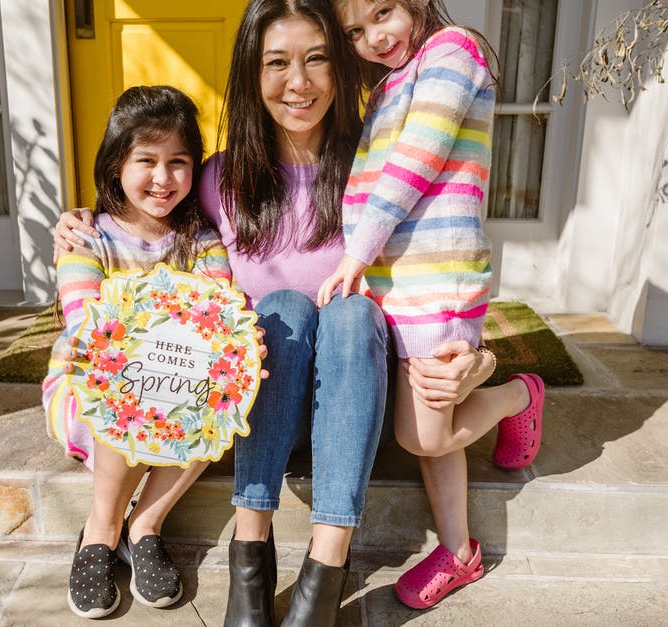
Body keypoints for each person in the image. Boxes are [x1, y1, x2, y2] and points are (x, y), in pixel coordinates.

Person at [54, 1, 494, 624]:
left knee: (349, 312)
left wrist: (479, 357)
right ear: (250, 76)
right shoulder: (217, 181)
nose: (299, 82)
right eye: (277, 63)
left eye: (317, 59)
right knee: (283, 308)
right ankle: (250, 552)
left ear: (342, 66)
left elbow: (442, 263)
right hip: (267, 405)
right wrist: (78, 224)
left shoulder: (378, 166)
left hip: (355, 396)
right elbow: (143, 228)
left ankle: (325, 569)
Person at [317, 0, 546, 610]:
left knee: (423, 435)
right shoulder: (390, 82)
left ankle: (520, 395)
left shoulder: (453, 52)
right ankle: (458, 549)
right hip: (392, 280)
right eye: (356, 32)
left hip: (439, 279)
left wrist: (355, 256)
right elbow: (364, 180)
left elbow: (415, 162)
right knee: (435, 422)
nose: (373, 37)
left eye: (383, 12)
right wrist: (363, 262)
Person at [41, 85, 235, 620]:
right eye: (146, 160)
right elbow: (85, 325)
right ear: (115, 163)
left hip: (177, 389)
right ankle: (99, 532)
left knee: (225, 399)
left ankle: (145, 522)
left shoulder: (203, 242)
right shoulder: (88, 238)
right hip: (91, 384)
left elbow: (219, 316)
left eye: (179, 162)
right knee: (122, 393)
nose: (163, 177)